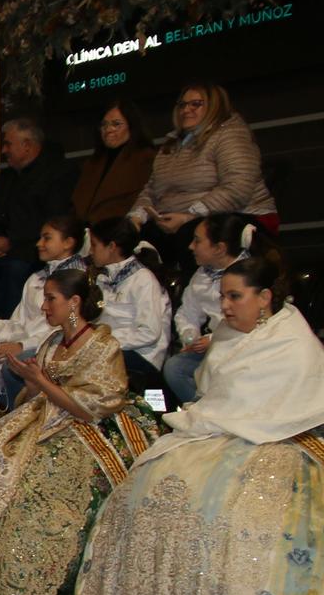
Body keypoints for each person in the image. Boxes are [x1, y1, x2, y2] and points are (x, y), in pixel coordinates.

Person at [74, 251, 324, 595]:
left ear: (264, 298)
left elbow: (288, 405)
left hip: (277, 437)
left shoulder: (293, 342)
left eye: (234, 297)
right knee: (148, 484)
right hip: (219, 429)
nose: (224, 307)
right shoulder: (229, 332)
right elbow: (217, 390)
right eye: (223, 296)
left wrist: (223, 420)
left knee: (231, 513)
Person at [0, 268, 157, 595]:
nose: (44, 304)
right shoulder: (52, 342)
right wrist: (31, 382)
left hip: (85, 427)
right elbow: (35, 395)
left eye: (51, 298)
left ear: (74, 302)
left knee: (37, 486)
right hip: (44, 417)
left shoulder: (103, 345)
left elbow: (90, 408)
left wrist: (40, 382)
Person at [129, 81, 279, 266]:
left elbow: (238, 186)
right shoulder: (173, 142)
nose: (187, 110)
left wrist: (189, 216)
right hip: (179, 219)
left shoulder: (231, 134)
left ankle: (192, 291)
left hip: (238, 215)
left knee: (194, 234)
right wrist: (137, 216)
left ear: (215, 106)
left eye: (196, 104)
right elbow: (151, 189)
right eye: (182, 104)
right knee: (134, 238)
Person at [0, 214, 88, 407]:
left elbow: (67, 328)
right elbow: (18, 320)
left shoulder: (78, 281)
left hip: (54, 346)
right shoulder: (37, 278)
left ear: (68, 242)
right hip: (25, 342)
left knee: (16, 367)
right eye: (40, 237)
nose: (39, 243)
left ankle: (25, 417)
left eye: (47, 238)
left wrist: (22, 346)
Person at [0, 119, 77, 318]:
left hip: (31, 253)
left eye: (8, 144)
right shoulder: (4, 178)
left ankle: (9, 325)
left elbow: (53, 221)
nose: (4, 150)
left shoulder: (57, 173)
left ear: (27, 145)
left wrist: (11, 243)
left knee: (15, 271)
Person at [165, 212, 257, 405]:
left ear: (219, 248)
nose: (191, 246)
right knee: (175, 368)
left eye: (197, 241)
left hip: (245, 347)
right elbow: (187, 312)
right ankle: (206, 411)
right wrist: (190, 335)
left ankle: (226, 410)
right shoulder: (202, 274)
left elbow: (253, 323)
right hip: (214, 346)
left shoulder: (249, 274)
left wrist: (215, 339)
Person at [87, 218, 172, 394]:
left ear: (111, 246)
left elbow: (149, 332)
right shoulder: (104, 277)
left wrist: (106, 342)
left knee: (81, 361)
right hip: (110, 347)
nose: (90, 251)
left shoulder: (143, 280)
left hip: (141, 355)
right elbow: (95, 314)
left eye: (94, 245)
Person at [70, 99, 155, 226]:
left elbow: (141, 200)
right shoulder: (93, 162)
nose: (108, 129)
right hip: (83, 232)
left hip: (118, 231)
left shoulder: (145, 157)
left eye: (116, 124)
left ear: (132, 126)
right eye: (104, 125)